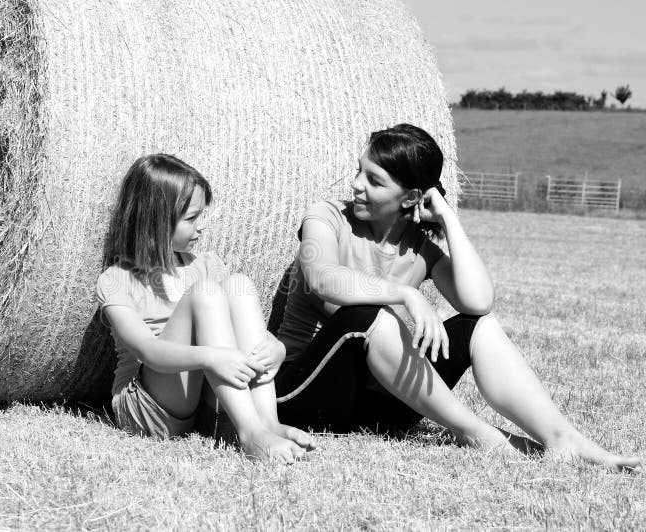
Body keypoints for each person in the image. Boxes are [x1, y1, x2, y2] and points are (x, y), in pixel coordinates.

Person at [274, 123, 641, 471]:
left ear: (412, 198)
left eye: (373, 180)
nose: (356, 184)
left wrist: (447, 218)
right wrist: (405, 296)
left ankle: (562, 439)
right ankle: (478, 434)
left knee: (480, 327)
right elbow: (321, 277)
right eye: (359, 171)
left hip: (383, 408)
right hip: (303, 395)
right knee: (373, 318)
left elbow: (478, 301)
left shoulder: (418, 249)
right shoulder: (325, 217)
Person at [97, 153, 315, 463]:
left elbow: (247, 333)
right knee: (206, 295)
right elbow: (148, 351)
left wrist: (276, 348)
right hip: (149, 407)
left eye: (203, 215)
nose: (202, 226)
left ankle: (266, 422)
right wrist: (211, 357)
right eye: (191, 218)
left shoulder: (207, 265)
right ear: (155, 219)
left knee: (239, 286)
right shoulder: (116, 280)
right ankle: (251, 433)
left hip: (207, 402)